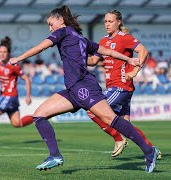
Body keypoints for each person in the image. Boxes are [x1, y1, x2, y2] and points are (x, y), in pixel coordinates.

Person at [9, 5, 158, 173]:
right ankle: (55, 156)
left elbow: (41, 46)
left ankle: (149, 151)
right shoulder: (80, 38)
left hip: (84, 87)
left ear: (61, 20)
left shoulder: (62, 32)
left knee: (110, 119)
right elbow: (107, 51)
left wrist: (19, 58)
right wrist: (128, 59)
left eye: (51, 24)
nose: (50, 28)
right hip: (72, 90)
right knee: (39, 115)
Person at [87, 11, 161, 159]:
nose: (107, 24)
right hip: (116, 87)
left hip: (121, 86)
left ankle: (118, 139)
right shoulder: (103, 41)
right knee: (126, 124)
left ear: (118, 22)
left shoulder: (124, 38)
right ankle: (151, 149)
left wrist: (135, 71)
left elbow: (143, 51)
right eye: (106, 22)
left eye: (110, 21)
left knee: (92, 110)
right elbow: (93, 62)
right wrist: (76, 56)